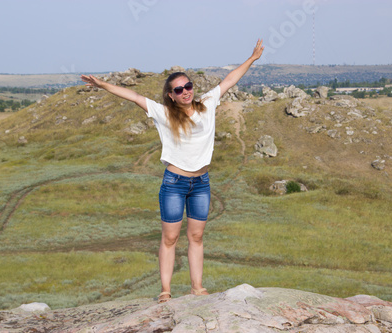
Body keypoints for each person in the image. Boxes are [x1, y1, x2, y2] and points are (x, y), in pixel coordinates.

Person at [81, 39, 264, 303]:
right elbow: (132, 96)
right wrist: (102, 85)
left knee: (197, 236)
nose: (186, 92)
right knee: (170, 237)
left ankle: (197, 287)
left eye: (188, 86)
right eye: (179, 90)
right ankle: (165, 290)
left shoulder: (207, 104)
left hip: (201, 182)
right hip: (175, 182)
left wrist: (252, 58)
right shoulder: (163, 114)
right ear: (171, 95)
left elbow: (229, 79)